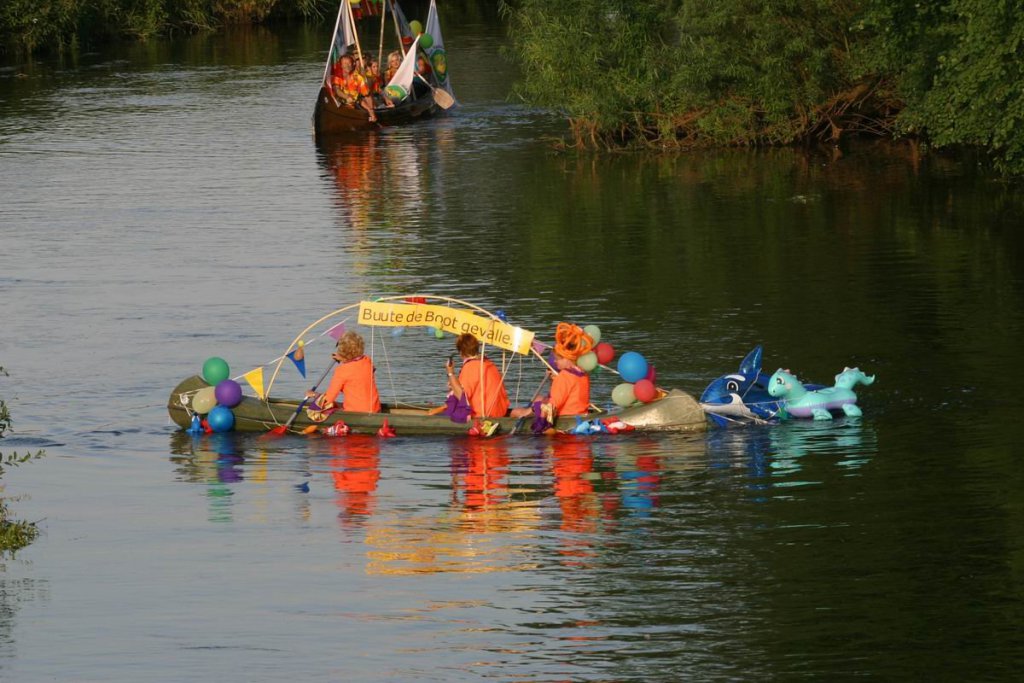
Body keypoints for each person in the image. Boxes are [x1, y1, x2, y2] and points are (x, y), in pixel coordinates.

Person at [510, 323, 593, 430]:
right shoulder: (583, 374)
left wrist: (538, 422)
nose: (554, 361)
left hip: (566, 417)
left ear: (567, 359)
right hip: (579, 413)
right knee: (538, 398)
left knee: (514, 412)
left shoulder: (564, 376)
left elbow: (551, 407)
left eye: (557, 359)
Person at [442, 333, 511, 421]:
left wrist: (450, 373)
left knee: (451, 412)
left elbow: (462, 397)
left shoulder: (470, 367)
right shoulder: (487, 363)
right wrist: (454, 383)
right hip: (500, 411)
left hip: (484, 415)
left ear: (461, 352)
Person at [308, 331, 381, 413]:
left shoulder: (341, 371)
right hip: (375, 409)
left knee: (317, 411)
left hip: (356, 412)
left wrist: (314, 395)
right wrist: (344, 358)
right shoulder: (367, 361)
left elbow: (328, 400)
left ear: (342, 351)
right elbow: (360, 370)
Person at [330, 54, 377, 123]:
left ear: (353, 64)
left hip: (353, 107)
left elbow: (367, 95)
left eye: (349, 63)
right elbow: (336, 90)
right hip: (338, 106)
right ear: (341, 65)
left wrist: (371, 111)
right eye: (345, 63)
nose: (347, 65)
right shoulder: (337, 77)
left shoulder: (358, 78)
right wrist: (346, 97)